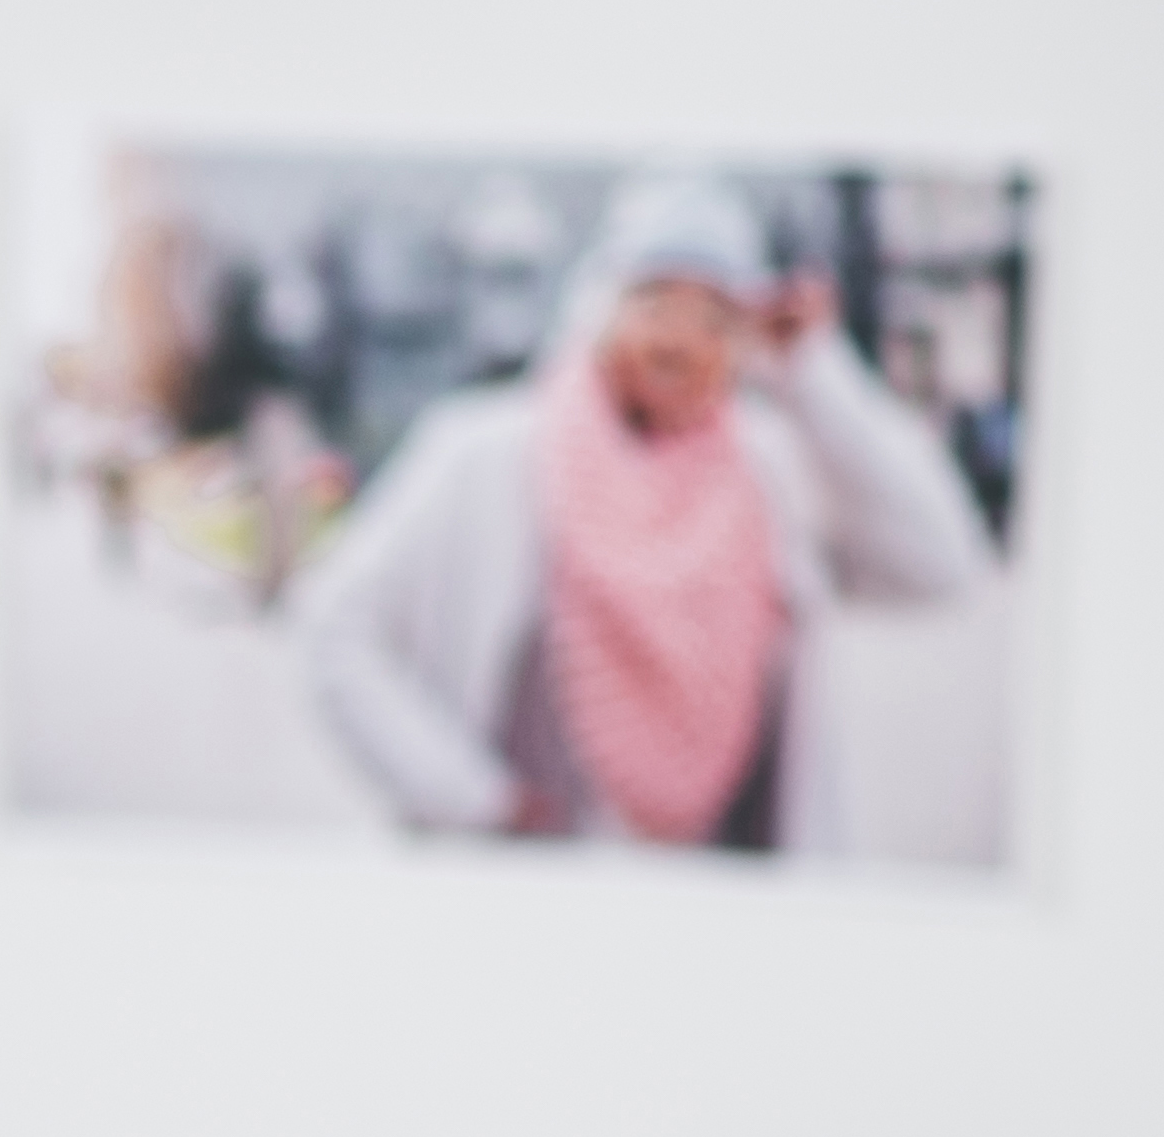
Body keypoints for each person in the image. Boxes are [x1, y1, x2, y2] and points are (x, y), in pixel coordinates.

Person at [289, 175, 999, 853]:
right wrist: (469, 800)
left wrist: (815, 371)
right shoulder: (486, 455)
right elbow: (333, 629)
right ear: (598, 310)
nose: (681, 341)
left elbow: (943, 565)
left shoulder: (771, 474)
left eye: (716, 318)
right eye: (657, 302)